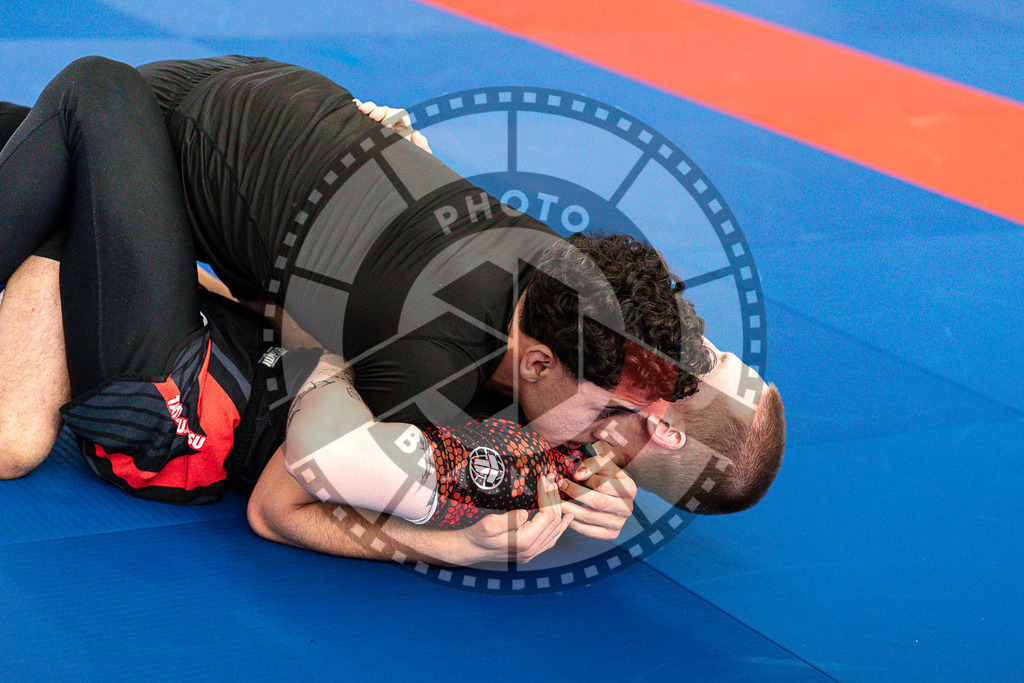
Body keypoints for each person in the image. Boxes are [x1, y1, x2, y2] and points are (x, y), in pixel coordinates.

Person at [0, 56, 716, 541]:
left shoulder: (537, 333)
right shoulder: (438, 375)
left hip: (188, 386)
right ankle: (81, 196)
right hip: (207, 179)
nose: (607, 437)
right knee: (95, 117)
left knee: (15, 441)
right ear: (539, 363)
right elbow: (287, 490)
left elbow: (289, 483)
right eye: (614, 415)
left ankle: (79, 198)